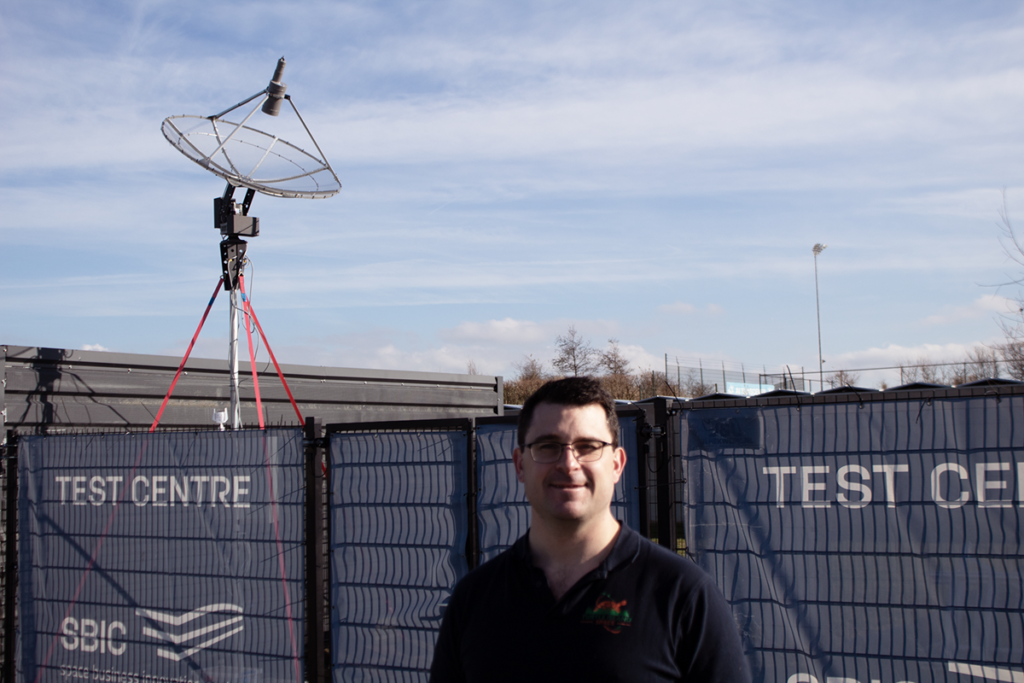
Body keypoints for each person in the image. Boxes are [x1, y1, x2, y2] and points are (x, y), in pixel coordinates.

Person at [429, 376, 751, 683]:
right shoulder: (473, 601)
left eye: (587, 446)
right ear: (519, 465)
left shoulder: (685, 598)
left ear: (616, 464)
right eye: (547, 446)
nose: (568, 463)